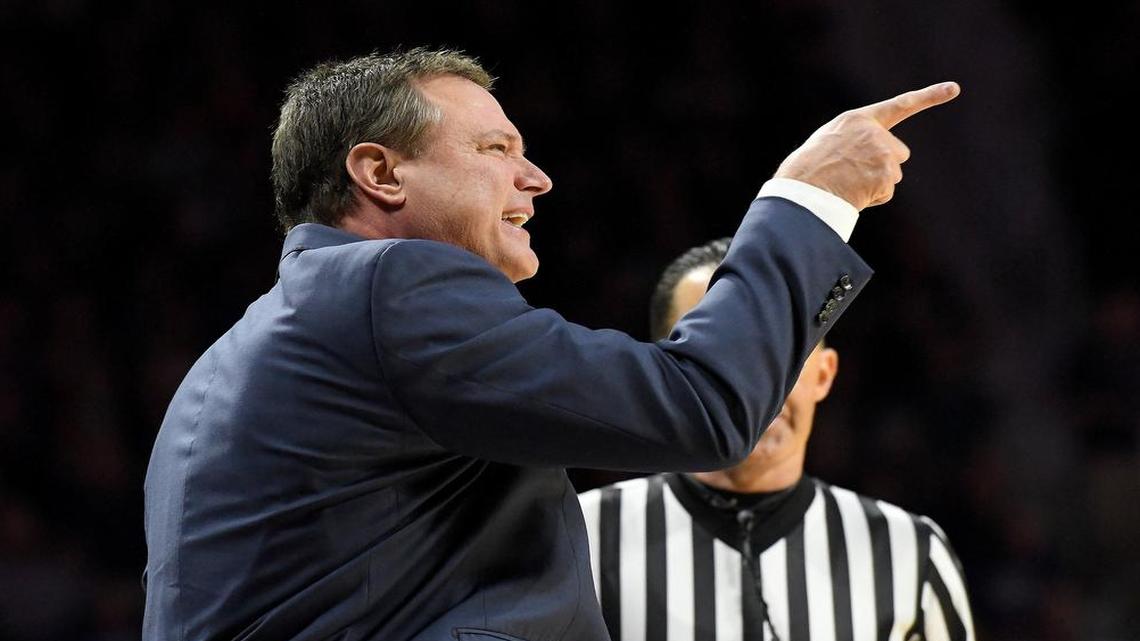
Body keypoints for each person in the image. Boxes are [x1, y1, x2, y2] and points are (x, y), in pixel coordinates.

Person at [142, 47, 959, 641]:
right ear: (380, 175)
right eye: (496, 149)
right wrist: (810, 200)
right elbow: (702, 404)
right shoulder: (388, 288)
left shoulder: (232, 363)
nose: (536, 179)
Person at [579, 237, 976, 641]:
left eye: (780, 351)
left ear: (824, 374)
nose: (752, 382)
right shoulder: (583, 534)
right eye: (714, 353)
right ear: (665, 369)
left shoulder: (909, 550)